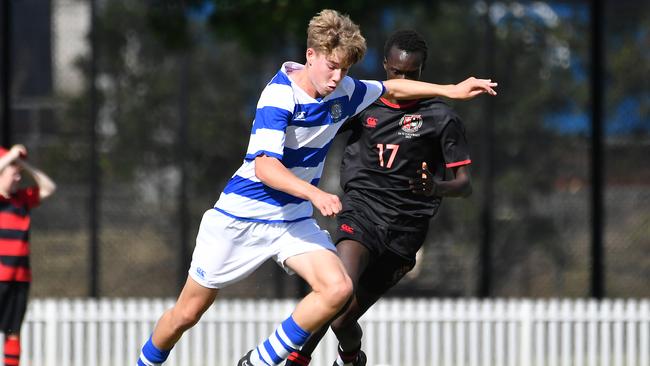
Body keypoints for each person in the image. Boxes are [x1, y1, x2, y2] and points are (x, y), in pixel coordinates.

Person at [136, 10, 496, 366]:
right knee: (186, 313)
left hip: (290, 221)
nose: (337, 77)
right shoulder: (279, 96)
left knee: (339, 290)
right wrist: (315, 193)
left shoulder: (345, 90)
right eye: (331, 66)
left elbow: (392, 87)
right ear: (310, 55)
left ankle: (259, 362)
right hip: (239, 217)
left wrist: (451, 90)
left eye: (345, 69)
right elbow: (265, 167)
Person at [284, 29, 476, 366]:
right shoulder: (361, 103)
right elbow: (317, 128)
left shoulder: (440, 117)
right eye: (396, 72)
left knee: (343, 321)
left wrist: (436, 187)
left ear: (421, 71)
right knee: (334, 291)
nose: (402, 79)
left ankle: (353, 357)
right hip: (361, 213)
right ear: (386, 66)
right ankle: (296, 359)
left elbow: (464, 184)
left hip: (405, 230)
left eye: (410, 74)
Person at [0, 144, 56, 366]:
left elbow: (49, 187)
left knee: (13, 331)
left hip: (20, 278)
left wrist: (23, 165)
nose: (17, 179)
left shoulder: (22, 199)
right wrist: (10, 157)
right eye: (13, 175)